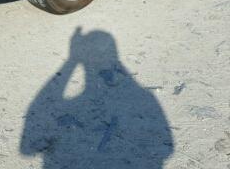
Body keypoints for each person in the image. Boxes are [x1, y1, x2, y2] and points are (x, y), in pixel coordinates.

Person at [21, 28, 174, 168]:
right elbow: (166, 150)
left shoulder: (144, 98)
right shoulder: (145, 98)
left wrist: (71, 60)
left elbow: (28, 147)